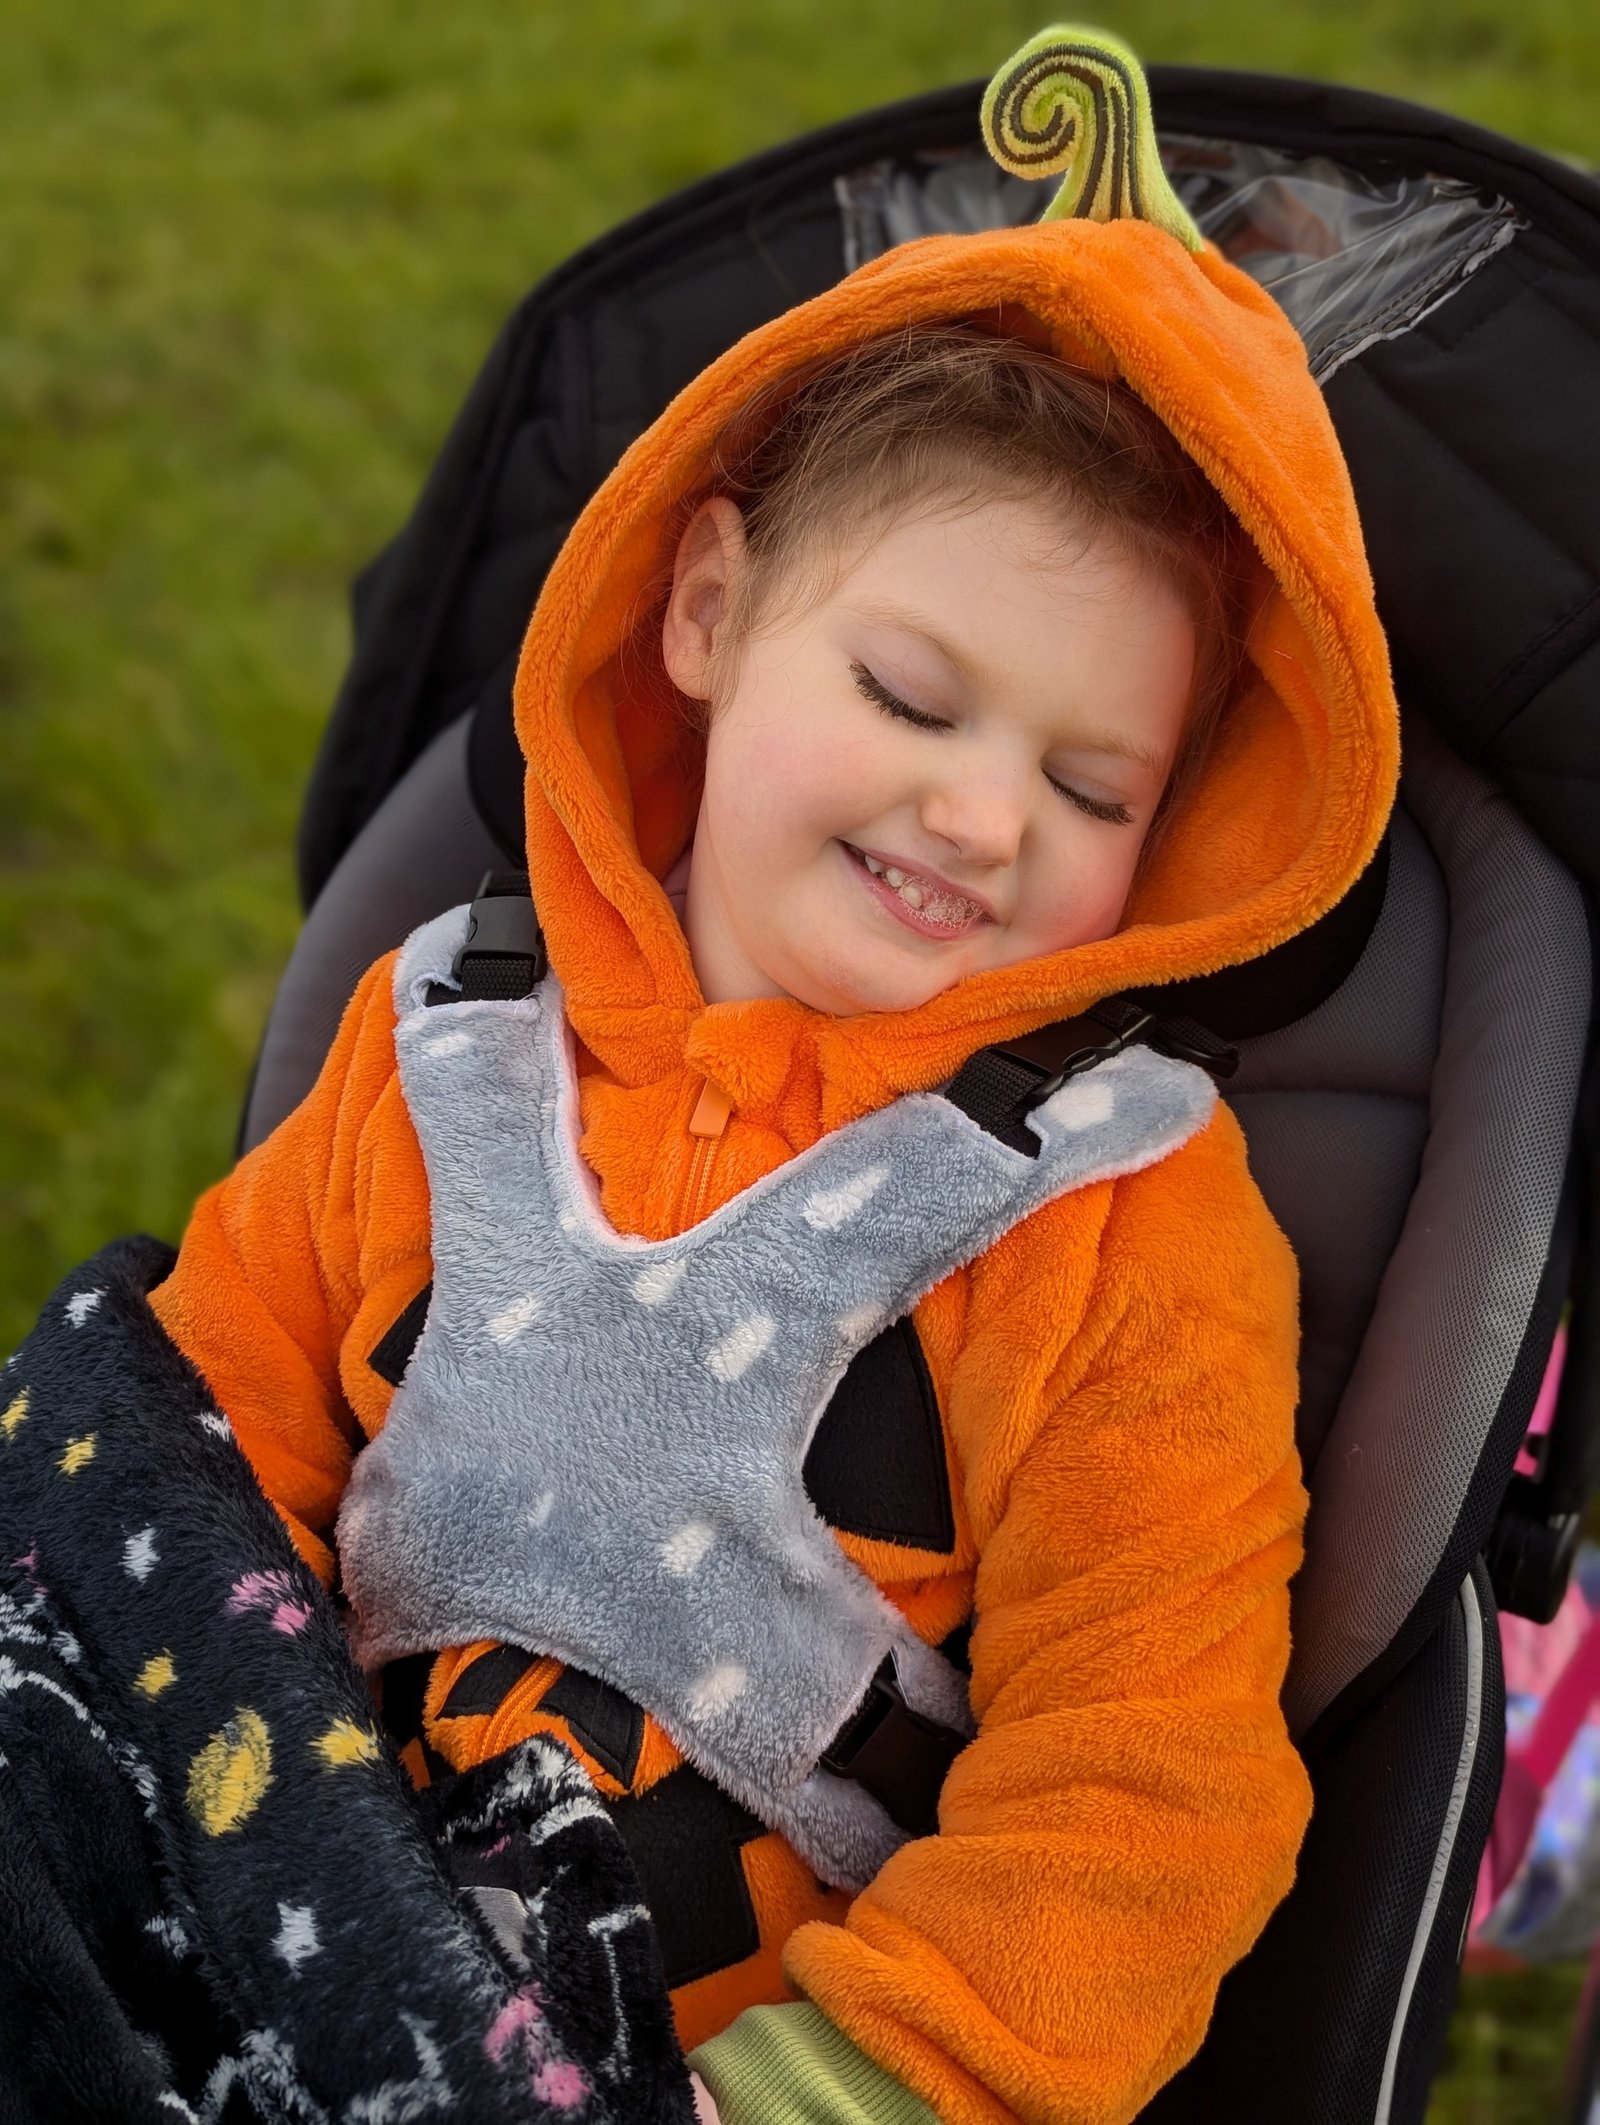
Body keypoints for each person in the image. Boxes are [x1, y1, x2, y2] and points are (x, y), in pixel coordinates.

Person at [148, 28, 1399, 2124]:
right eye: (910, 694)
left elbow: (1141, 1773)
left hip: (734, 2062)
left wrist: (845, 2085)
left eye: (1088, 785)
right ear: (709, 612)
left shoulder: (1111, 1226)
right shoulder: (445, 1039)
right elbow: (206, 1438)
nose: (980, 817)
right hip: (281, 1921)